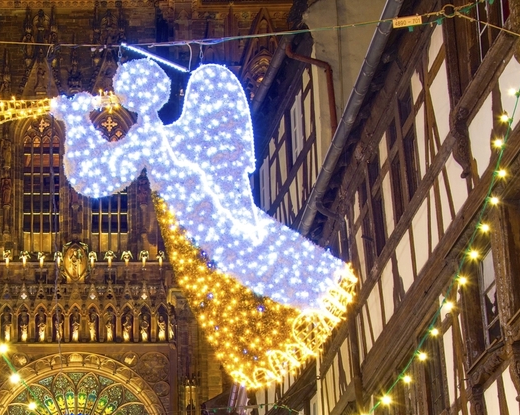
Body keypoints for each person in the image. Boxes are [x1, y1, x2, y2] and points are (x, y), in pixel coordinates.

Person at [51, 59, 350, 311]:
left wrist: (76, 121)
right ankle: (323, 288)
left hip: (196, 218)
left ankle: (320, 291)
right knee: (259, 258)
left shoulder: (149, 137)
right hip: (201, 215)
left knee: (251, 266)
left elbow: (92, 176)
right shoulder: (171, 133)